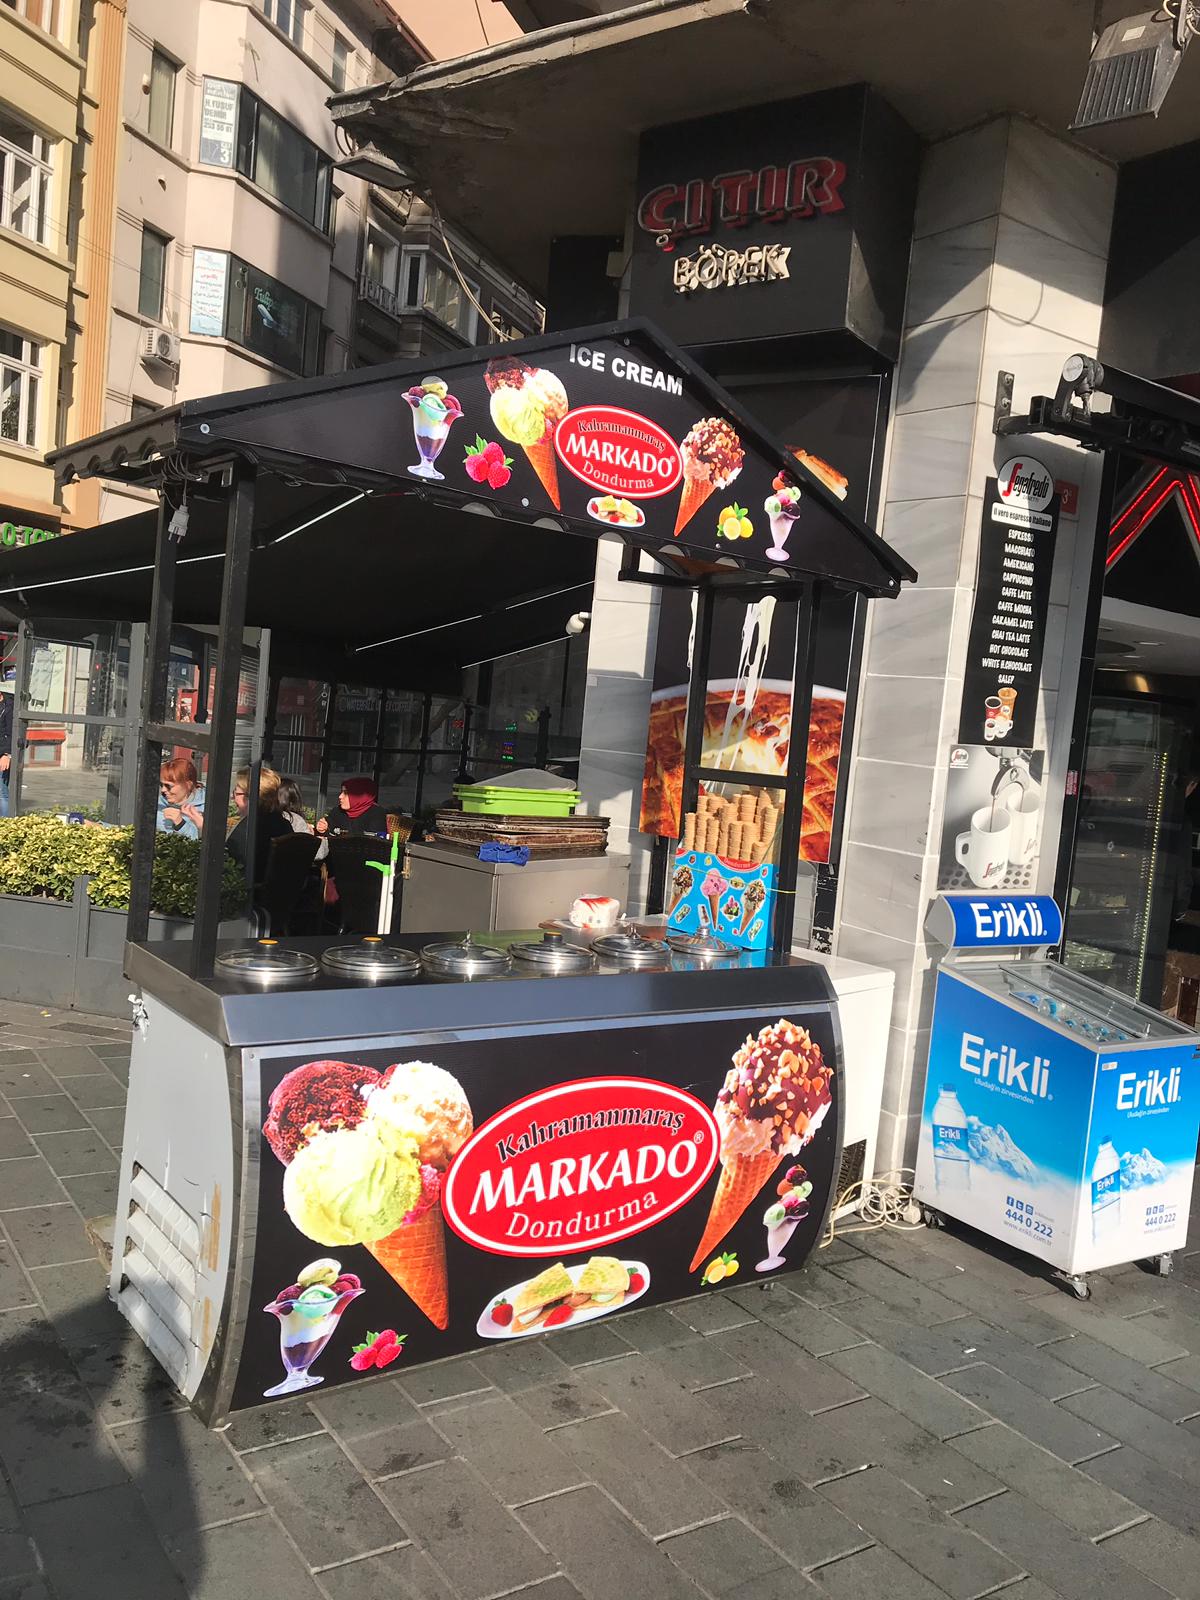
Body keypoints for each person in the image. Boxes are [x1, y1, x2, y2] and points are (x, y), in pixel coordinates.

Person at [225, 765, 292, 885]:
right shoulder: (283, 824)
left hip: (246, 892)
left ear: (250, 797)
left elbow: (227, 867)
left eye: (236, 793)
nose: (232, 797)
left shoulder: (248, 829)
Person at [316, 777, 388, 839]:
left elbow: (376, 842)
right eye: (341, 792)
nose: (340, 796)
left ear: (359, 796)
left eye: (345, 793)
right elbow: (328, 828)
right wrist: (322, 828)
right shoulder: (338, 811)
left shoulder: (376, 813)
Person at [157, 756, 206, 839]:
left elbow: (201, 842)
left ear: (188, 785)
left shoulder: (207, 807)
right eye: (161, 785)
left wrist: (181, 824)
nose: (163, 790)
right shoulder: (160, 804)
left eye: (168, 786)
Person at [0, 679, 12, 818]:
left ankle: (4, 824)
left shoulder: (9, 706)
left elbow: (12, 733)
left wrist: (7, 754)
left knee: (2, 792)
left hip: (2, 754)